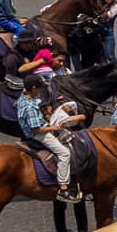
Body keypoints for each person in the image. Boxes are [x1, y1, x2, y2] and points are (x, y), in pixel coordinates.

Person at [17, 74, 81, 203]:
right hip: (39, 135)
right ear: (34, 88)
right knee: (64, 153)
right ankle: (63, 189)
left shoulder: (24, 98)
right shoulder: (29, 108)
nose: (41, 91)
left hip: (38, 130)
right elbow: (36, 129)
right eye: (40, 88)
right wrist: (53, 128)